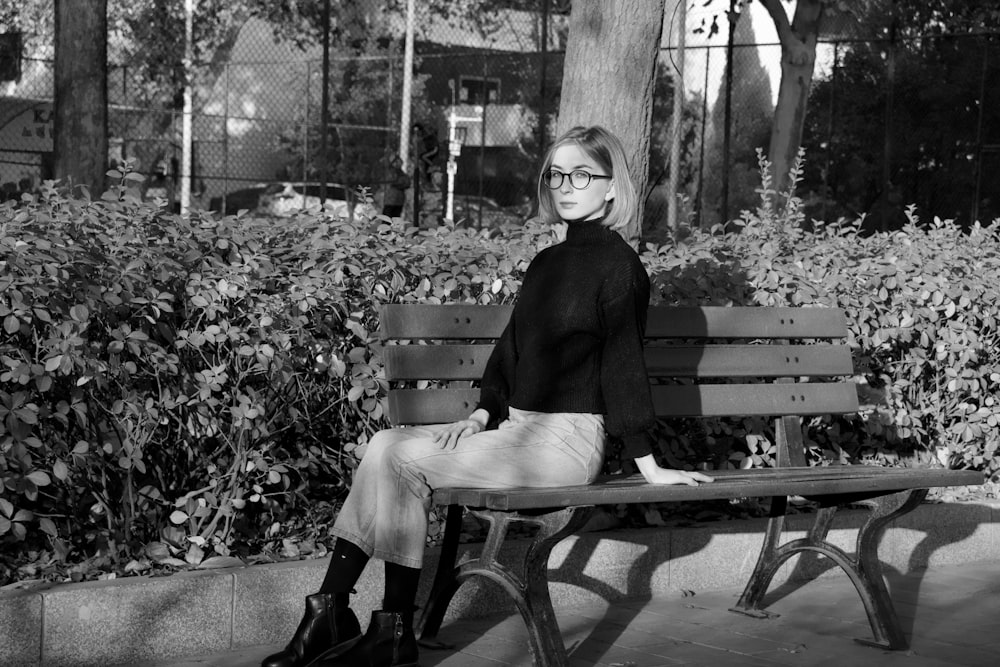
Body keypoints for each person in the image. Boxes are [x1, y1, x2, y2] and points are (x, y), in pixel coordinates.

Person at [262, 125, 713, 667]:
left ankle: (388, 628)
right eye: (557, 174)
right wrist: (480, 415)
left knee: (404, 462)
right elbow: (510, 351)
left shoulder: (620, 270)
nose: (566, 186)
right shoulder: (548, 264)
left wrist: (649, 464)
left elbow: (623, 367)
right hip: (516, 431)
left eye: (582, 175)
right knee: (385, 443)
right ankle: (334, 610)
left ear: (612, 188)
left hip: (566, 445)